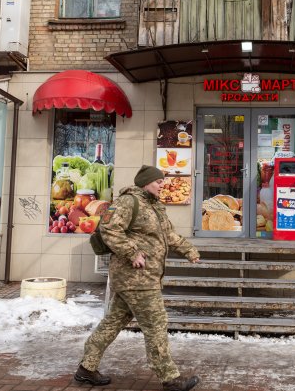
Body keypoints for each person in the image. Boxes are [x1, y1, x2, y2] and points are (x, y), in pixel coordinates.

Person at [75, 165, 201, 391]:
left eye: (163, 181)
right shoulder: (127, 201)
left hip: (143, 277)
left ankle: (87, 367)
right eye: (159, 181)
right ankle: (170, 378)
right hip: (135, 277)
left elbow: (167, 234)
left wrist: (188, 250)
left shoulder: (155, 206)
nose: (163, 185)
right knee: (156, 323)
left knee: (113, 322)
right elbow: (109, 229)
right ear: (145, 182)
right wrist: (132, 252)